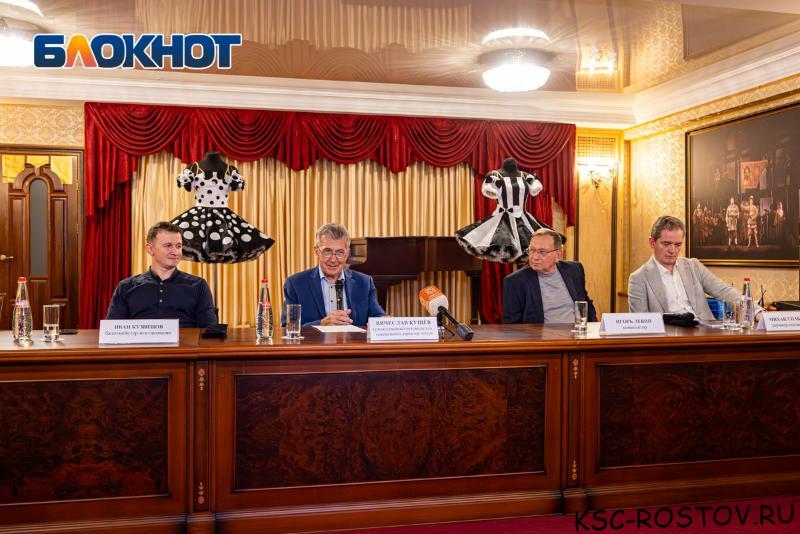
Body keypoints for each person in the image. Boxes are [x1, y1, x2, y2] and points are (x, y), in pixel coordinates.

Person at [628, 216, 756, 321]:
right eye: (666, 244)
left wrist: (756, 311)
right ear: (652, 243)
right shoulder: (638, 279)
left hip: (705, 335)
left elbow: (725, 291)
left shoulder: (693, 266)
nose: (672, 250)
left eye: (678, 245)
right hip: (669, 340)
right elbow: (641, 325)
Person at [106, 221, 217, 328]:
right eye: (168, 245)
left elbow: (208, 331)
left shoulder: (198, 285)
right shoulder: (126, 287)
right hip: (140, 341)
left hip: (185, 341)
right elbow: (112, 332)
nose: (175, 252)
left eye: (178, 246)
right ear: (150, 249)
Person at [455, 157, 563, 264]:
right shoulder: (495, 175)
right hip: (502, 220)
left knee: (531, 244)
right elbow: (489, 191)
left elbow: (535, 189)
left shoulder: (526, 176)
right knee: (504, 247)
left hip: (523, 218)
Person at [283, 223, 385, 327]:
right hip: (315, 338)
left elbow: (378, 316)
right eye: (327, 251)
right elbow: (288, 327)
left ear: (347, 253)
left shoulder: (364, 282)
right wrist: (321, 324)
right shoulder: (295, 284)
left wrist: (386, 322)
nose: (333, 259)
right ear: (317, 252)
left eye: (340, 252)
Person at [502, 228, 596, 324]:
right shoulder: (515, 282)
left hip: (578, 331)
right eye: (532, 250)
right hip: (542, 333)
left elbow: (585, 303)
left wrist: (594, 326)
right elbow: (511, 325)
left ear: (558, 255)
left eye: (542, 252)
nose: (534, 257)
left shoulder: (574, 270)